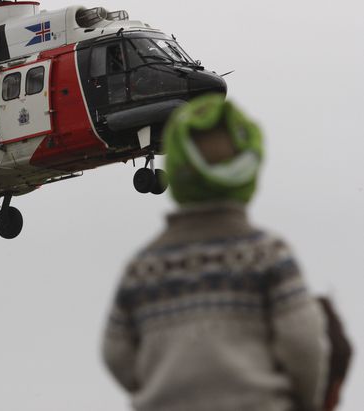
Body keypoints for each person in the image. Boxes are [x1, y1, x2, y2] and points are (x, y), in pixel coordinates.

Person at [102, 95, 338, 411]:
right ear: (250, 169)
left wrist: (160, 387)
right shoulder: (268, 255)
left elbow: (115, 353)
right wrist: (304, 402)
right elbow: (304, 344)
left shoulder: (142, 267)